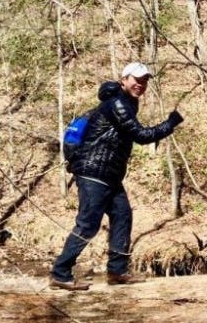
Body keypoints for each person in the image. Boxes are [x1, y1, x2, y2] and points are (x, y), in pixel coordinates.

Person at [50, 62, 184, 290]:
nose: (140, 85)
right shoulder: (118, 104)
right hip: (94, 172)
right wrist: (170, 123)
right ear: (124, 80)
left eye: (144, 81)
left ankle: (117, 271)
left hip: (109, 175)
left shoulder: (127, 103)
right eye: (136, 80)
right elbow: (141, 136)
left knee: (122, 216)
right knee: (88, 225)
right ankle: (60, 273)